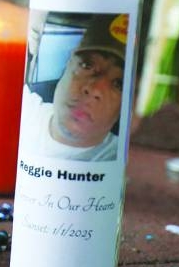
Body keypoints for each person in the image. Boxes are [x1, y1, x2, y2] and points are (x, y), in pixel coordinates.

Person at [20, 13, 127, 161]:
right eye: (87, 65)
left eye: (118, 84)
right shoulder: (24, 110)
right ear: (67, 67)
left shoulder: (119, 157)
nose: (94, 89)